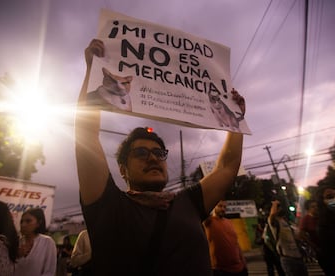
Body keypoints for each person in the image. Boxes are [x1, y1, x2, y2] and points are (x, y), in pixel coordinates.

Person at [75, 39, 245, 275]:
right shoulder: (107, 206)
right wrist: (92, 72)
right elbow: (86, 135)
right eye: (141, 153)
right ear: (122, 169)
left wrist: (235, 119)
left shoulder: (189, 203)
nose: (153, 158)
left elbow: (227, 166)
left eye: (158, 153)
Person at [203, 200, 248, 276]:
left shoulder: (229, 222)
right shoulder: (209, 221)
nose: (223, 209)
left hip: (239, 268)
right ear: (213, 207)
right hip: (220, 270)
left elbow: (236, 243)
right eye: (220, 206)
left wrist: (243, 262)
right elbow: (204, 206)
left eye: (224, 207)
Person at [268, 200, 308, 276]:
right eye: (277, 208)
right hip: (288, 258)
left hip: (298, 257)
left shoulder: (286, 221)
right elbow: (272, 215)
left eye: (279, 207)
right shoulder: (274, 223)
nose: (279, 209)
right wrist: (275, 204)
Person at [14, 207, 57, 276]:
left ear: (38, 223)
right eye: (21, 221)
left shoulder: (47, 242)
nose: (23, 225)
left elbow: (49, 271)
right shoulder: (16, 243)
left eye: (28, 221)